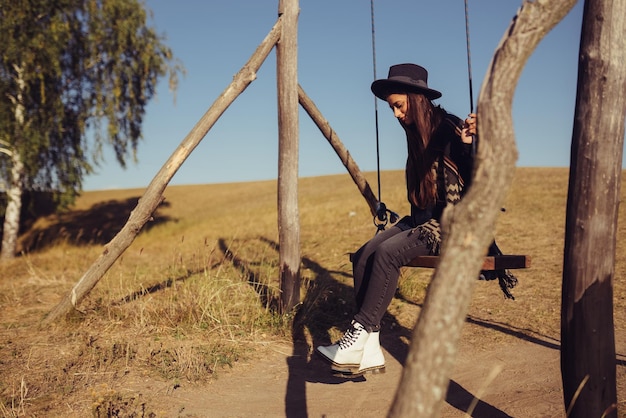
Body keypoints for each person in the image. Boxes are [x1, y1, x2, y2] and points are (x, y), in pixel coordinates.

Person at [316, 63, 477, 376]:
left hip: (448, 224)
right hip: (419, 220)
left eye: (398, 106)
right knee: (364, 255)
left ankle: (358, 335)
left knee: (388, 254)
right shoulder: (415, 133)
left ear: (416, 99)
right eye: (391, 108)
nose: (395, 115)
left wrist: (468, 145)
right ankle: (370, 349)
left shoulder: (451, 129)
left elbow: (476, 182)